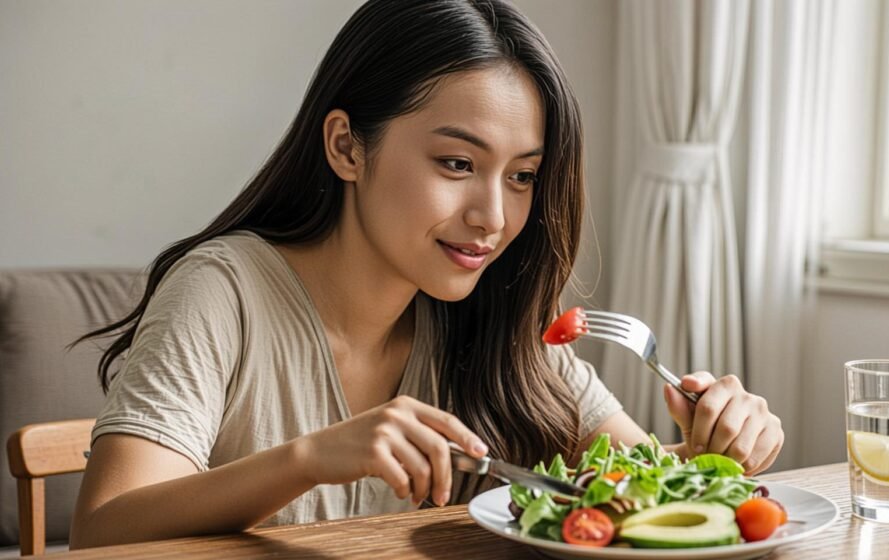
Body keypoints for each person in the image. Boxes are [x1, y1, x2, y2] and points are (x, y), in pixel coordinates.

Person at [70, 0, 783, 549]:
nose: (493, 217)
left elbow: (645, 488)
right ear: (347, 146)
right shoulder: (221, 290)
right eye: (457, 164)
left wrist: (719, 448)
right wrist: (314, 457)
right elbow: (103, 535)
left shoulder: (496, 317)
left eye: (524, 176)